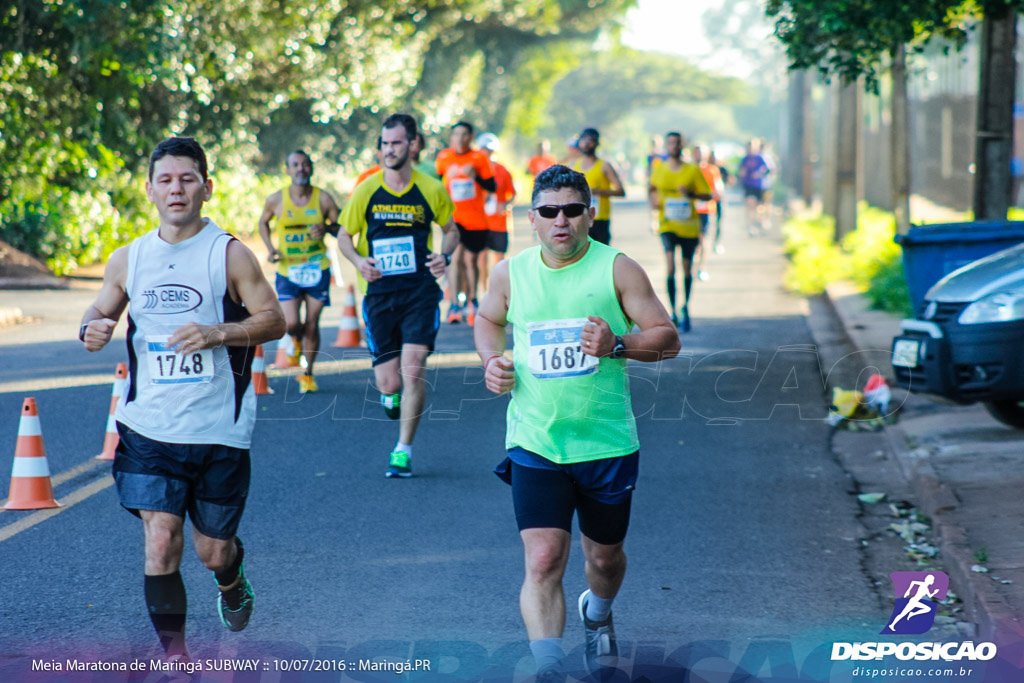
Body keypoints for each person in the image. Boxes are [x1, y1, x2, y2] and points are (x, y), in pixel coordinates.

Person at [79, 137, 286, 662]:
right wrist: (93, 329)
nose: (177, 189)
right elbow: (95, 314)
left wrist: (218, 333)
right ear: (149, 190)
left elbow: (274, 320)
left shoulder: (230, 254)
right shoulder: (129, 259)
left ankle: (232, 579)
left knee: (212, 550)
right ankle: (176, 660)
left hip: (218, 427)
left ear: (207, 188)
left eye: (187, 178)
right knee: (161, 541)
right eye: (166, 180)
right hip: (149, 426)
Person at [474, 165, 680, 681]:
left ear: (590, 215)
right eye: (549, 211)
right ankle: (549, 666)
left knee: (604, 559)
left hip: (605, 442)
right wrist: (491, 361)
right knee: (543, 558)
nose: (560, 220)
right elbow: (488, 319)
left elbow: (667, 338)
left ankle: (599, 611)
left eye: (571, 210)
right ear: (532, 219)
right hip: (535, 440)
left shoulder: (618, 269)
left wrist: (617, 344)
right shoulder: (510, 273)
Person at [335, 113, 459, 478]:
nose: (389, 150)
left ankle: (402, 449)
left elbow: (450, 230)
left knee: (414, 369)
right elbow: (344, 235)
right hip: (380, 297)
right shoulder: (367, 190)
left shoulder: (431, 188)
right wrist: (359, 261)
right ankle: (391, 397)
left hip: (420, 292)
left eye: (397, 143)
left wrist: (444, 255)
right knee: (389, 383)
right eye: (385, 144)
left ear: (413, 145)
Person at [257, 149, 341, 393]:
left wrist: (326, 228)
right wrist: (271, 248)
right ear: (287, 170)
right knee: (292, 322)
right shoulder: (277, 199)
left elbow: (340, 229)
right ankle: (294, 338)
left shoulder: (324, 199)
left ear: (311, 168)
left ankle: (308, 374)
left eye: (305, 164)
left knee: (312, 323)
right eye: (295, 165)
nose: (300, 169)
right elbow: (263, 222)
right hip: (288, 270)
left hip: (317, 268)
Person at [648, 132, 712, 332]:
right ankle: (673, 310)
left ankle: (686, 307)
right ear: (666, 146)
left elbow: (708, 194)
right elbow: (651, 187)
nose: (673, 146)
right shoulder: (659, 169)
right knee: (670, 268)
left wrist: (691, 194)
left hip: (689, 226)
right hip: (667, 225)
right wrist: (654, 203)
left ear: (683, 146)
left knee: (686, 269)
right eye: (670, 143)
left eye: (677, 143)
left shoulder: (692, 170)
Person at [436, 121, 496, 325]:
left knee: (471, 261)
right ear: (451, 137)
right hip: (454, 218)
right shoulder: (444, 157)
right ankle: (454, 304)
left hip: (476, 220)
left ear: (471, 137)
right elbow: (436, 183)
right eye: (456, 134)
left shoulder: (479, 158)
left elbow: (492, 186)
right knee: (454, 259)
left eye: (464, 135)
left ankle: (473, 300)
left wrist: (476, 176)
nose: (460, 139)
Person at [570, 128, 625, 245]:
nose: (586, 144)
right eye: (583, 140)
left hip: (600, 219)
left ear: (597, 143)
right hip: (581, 218)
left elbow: (621, 191)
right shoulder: (575, 165)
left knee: (602, 255)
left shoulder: (604, 165)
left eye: (590, 140)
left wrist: (597, 191)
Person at [477, 132, 517, 283]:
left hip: (500, 222)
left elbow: (513, 193)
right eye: (484, 149)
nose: (487, 152)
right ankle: (483, 291)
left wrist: (505, 204)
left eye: (489, 149)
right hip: (481, 223)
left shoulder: (502, 170)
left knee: (500, 260)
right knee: (481, 258)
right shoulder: (475, 171)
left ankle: (498, 289)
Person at [692, 144, 724, 281]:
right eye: (696, 152)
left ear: (706, 155)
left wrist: (714, 195)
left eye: (701, 152)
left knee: (703, 239)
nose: (698, 155)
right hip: (690, 211)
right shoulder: (688, 169)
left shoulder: (712, 170)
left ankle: (702, 268)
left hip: (706, 210)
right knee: (693, 242)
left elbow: (718, 189)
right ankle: (691, 267)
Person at [737, 139, 771, 236]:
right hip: (748, 185)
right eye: (749, 147)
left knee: (759, 206)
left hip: (759, 185)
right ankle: (750, 226)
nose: (750, 149)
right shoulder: (745, 159)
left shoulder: (760, 158)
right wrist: (741, 174)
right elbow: (740, 171)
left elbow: (767, 169)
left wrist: (759, 173)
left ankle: (758, 221)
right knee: (750, 205)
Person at [709, 149, 730, 253]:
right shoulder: (705, 168)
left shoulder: (722, 169)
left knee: (719, 222)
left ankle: (717, 243)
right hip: (708, 199)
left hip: (720, 199)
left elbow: (728, 181)